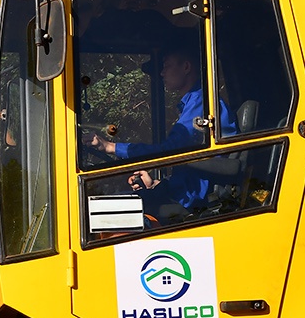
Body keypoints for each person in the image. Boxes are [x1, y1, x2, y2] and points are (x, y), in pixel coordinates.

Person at [84, 44, 231, 218]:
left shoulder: (201, 103)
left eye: (167, 66)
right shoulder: (193, 104)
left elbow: (170, 151)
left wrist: (110, 147)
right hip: (188, 193)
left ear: (186, 67)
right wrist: (155, 182)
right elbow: (186, 161)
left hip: (197, 202)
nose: (162, 73)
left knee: (109, 215)